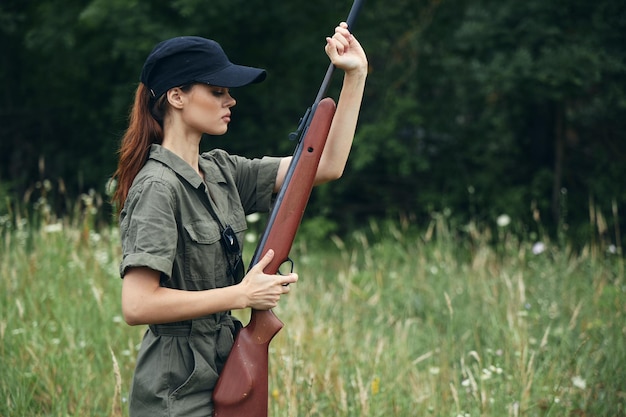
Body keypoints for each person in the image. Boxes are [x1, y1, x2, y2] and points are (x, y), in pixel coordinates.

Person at [111, 21, 367, 417]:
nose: (230, 101)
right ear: (176, 96)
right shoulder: (157, 187)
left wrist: (355, 76)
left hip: (226, 362)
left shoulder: (221, 170)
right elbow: (138, 304)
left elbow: (326, 164)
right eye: (217, 91)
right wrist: (242, 296)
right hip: (174, 390)